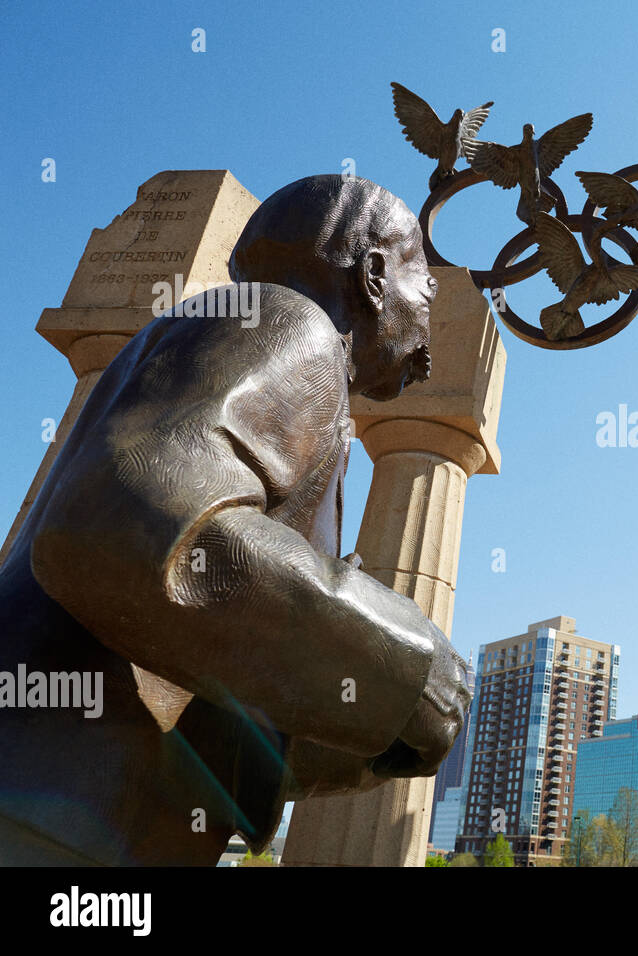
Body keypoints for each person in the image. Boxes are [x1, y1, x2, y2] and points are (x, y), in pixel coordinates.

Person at [0, 175, 470, 864]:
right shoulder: (288, 321)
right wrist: (406, 661)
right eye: (424, 284)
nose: (430, 315)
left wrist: (373, 719)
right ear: (373, 275)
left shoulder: (240, 340)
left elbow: (218, 677)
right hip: (59, 821)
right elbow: (121, 526)